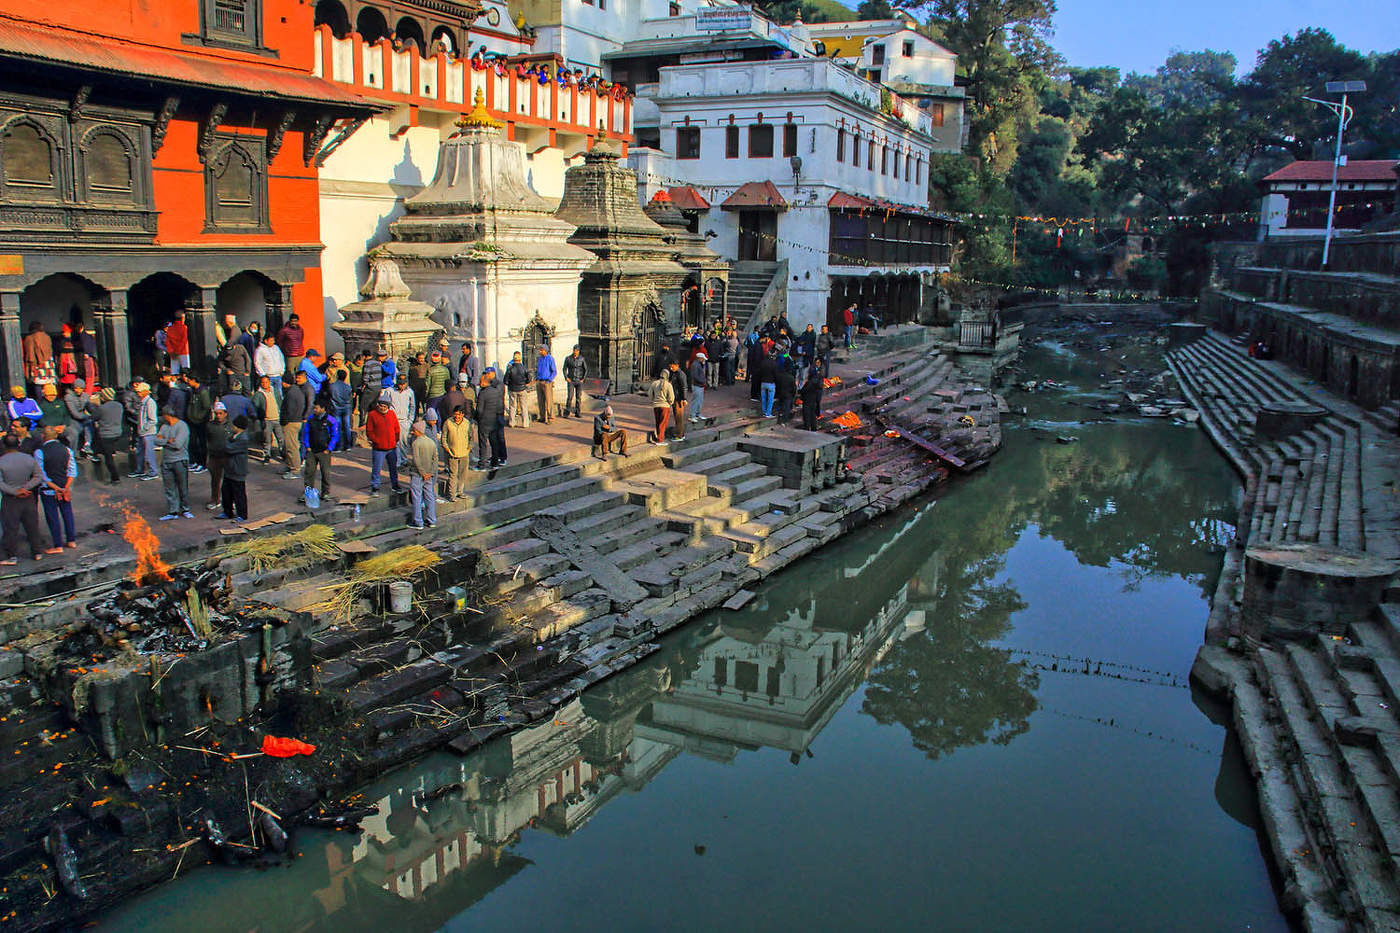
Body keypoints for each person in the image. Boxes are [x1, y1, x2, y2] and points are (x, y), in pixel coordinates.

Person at [0, 433, 43, 564]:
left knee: (10, 528)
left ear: (4, 445)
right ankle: (37, 552)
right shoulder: (29, 459)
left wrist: (15, 491)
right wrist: (26, 488)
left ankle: (12, 556)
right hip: (28, 497)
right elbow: (38, 476)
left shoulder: (1, 461)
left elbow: (0, 482)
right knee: (32, 526)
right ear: (18, 444)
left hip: (10, 499)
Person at [35, 425, 76, 553]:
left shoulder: (39, 452)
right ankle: (71, 541)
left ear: (43, 436)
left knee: (52, 517)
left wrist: (56, 488)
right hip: (65, 490)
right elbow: (72, 471)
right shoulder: (67, 450)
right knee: (67, 514)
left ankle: (58, 545)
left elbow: (42, 475)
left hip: (49, 491)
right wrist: (65, 488)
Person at [156, 407, 192, 520]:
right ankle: (173, 511)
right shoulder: (164, 426)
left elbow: (178, 444)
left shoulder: (182, 426)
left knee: (182, 487)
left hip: (180, 461)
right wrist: (168, 440)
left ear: (167, 415)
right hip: (166, 461)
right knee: (169, 488)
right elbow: (156, 440)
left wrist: (164, 441)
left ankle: (185, 509)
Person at [300, 401, 338, 504]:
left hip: (324, 452)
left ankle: (325, 493)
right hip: (312, 451)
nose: (314, 410)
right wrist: (307, 446)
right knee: (309, 472)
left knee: (325, 473)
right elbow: (306, 433)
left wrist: (329, 449)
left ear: (323, 409)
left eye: (316, 408)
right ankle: (308, 492)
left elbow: (335, 436)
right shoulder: (311, 419)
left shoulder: (331, 420)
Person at [365, 393, 403, 497]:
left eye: (384, 406)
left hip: (391, 447)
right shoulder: (372, 415)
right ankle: (375, 487)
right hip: (378, 448)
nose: (382, 408)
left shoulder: (391, 414)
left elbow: (396, 429)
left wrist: (395, 440)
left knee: (393, 468)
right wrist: (376, 440)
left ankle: (395, 485)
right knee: (377, 468)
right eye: (381, 405)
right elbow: (369, 431)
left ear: (388, 407)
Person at [279, 371, 311, 478]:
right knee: (290, 446)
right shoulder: (296, 391)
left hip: (291, 422)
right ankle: (290, 465)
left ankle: (295, 470)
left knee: (291, 447)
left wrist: (284, 421)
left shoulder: (291, 393)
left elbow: (290, 410)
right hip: (295, 421)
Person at [219, 415, 250, 522]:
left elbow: (229, 449)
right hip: (229, 469)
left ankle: (242, 514)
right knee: (226, 492)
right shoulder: (233, 436)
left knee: (239, 494)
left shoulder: (243, 439)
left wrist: (225, 442)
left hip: (238, 470)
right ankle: (227, 512)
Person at [408, 420, 438, 529]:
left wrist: (423, 473)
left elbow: (416, 460)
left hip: (418, 474)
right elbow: (435, 460)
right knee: (429, 496)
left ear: (417, 431)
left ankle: (418, 521)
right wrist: (430, 473)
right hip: (429, 475)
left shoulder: (416, 443)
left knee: (417, 496)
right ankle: (432, 520)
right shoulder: (431, 442)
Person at [475, 368, 507, 468]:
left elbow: (479, 410)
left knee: (483, 442)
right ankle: (495, 462)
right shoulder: (495, 391)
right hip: (494, 419)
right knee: (494, 442)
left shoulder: (483, 393)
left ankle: (482, 463)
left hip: (485, 421)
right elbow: (499, 405)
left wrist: (478, 418)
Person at [91, 387, 123, 484]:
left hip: (106, 434)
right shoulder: (119, 405)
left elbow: (94, 417)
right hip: (117, 432)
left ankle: (115, 477)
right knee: (110, 449)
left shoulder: (102, 408)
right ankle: (111, 451)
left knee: (108, 458)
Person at [441, 405, 473, 499]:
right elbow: (444, 438)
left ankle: (460, 491)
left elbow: (471, 437)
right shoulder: (448, 422)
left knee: (463, 474)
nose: (457, 417)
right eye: (455, 415)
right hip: (452, 453)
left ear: (462, 414)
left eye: (459, 415)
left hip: (464, 453)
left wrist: (469, 448)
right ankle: (452, 494)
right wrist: (447, 449)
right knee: (453, 474)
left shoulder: (467, 423)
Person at [204, 402, 231, 511]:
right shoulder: (210, 426)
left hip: (228, 457)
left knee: (229, 480)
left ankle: (230, 500)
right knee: (215, 480)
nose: (219, 416)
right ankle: (215, 499)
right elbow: (206, 441)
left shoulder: (231, 426)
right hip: (214, 457)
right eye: (217, 414)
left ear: (225, 414)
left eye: (221, 413)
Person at [184, 373, 212, 473]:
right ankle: (196, 462)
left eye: (189, 380)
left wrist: (199, 417)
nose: (188, 381)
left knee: (201, 443)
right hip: (192, 420)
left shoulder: (203, 392)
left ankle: (203, 464)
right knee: (193, 442)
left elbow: (206, 407)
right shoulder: (192, 391)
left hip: (200, 422)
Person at [131, 381, 159, 480]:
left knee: (148, 453)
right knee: (140, 452)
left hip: (148, 433)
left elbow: (153, 420)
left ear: (145, 392)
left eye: (139, 392)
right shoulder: (143, 402)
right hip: (142, 432)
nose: (138, 394)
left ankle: (153, 472)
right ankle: (140, 470)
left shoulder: (150, 402)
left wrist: (144, 429)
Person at [251, 375, 280, 462]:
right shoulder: (258, 394)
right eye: (263, 382)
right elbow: (255, 407)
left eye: (266, 382)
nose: (264, 384)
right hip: (267, 420)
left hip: (277, 418)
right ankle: (267, 455)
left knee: (281, 438)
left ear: (269, 382)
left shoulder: (275, 391)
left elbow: (280, 402)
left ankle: (283, 453)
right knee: (267, 439)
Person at [388, 372, 416, 458]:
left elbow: (412, 407)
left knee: (403, 442)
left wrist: (410, 421)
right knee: (393, 441)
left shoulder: (410, 392)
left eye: (403, 384)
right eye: (400, 384)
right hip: (393, 420)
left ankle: (404, 459)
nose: (402, 386)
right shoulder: (390, 391)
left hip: (404, 421)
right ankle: (396, 460)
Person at [254, 332, 285, 404]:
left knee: (279, 395)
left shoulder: (276, 348)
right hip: (268, 377)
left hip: (278, 376)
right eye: (271, 341)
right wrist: (263, 375)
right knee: (268, 396)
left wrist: (282, 371)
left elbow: (281, 359)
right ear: (266, 341)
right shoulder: (260, 350)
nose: (273, 342)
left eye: (273, 340)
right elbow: (257, 363)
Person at [22, 322, 53, 392]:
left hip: (36, 365)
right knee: (49, 387)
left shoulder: (29, 338)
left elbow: (29, 354)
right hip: (48, 363)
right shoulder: (47, 337)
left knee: (38, 386)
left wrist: (28, 370)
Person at [328, 369, 354, 451]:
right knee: (347, 426)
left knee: (338, 427)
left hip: (336, 408)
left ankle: (338, 446)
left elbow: (329, 394)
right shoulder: (348, 387)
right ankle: (348, 445)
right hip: (346, 407)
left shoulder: (332, 386)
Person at [504, 351, 531, 428]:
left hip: (512, 389)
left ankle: (512, 422)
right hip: (522, 389)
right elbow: (529, 378)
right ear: (520, 359)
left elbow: (505, 380)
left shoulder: (510, 369)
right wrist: (525, 382)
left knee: (512, 406)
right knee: (524, 406)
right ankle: (525, 423)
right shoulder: (524, 368)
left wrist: (510, 384)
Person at [648, 369, 674, 445]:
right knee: (663, 423)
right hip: (665, 406)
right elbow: (671, 397)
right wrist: (670, 403)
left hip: (656, 405)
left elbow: (649, 394)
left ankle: (659, 436)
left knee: (658, 422)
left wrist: (653, 400)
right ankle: (660, 439)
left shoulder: (654, 383)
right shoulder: (668, 385)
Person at [359, 350, 384, 426]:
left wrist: (364, 386)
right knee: (373, 407)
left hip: (370, 388)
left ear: (364, 356)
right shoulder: (377, 363)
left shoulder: (367, 364)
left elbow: (365, 378)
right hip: (378, 387)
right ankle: (373, 422)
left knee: (363, 406)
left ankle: (362, 423)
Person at [563, 345, 587, 418]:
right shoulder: (568, 358)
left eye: (577, 351)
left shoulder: (582, 359)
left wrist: (583, 378)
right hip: (571, 380)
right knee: (570, 396)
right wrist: (566, 377)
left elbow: (585, 369)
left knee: (578, 397)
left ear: (579, 351)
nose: (575, 352)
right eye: (574, 350)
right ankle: (567, 413)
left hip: (578, 380)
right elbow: (564, 368)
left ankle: (578, 412)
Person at [534, 345, 556, 424]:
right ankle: (542, 416)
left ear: (545, 351)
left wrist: (549, 379)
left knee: (548, 400)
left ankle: (550, 417)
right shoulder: (540, 359)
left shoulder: (550, 358)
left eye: (542, 350)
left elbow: (554, 371)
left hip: (547, 382)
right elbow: (538, 369)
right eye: (540, 350)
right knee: (540, 400)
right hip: (540, 381)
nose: (540, 351)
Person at [425, 350, 451, 415]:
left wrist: (425, 396)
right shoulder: (446, 370)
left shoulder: (430, 371)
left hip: (432, 395)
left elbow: (427, 385)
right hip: (443, 394)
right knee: (440, 414)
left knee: (431, 415)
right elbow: (448, 383)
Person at [668, 360, 688, 440]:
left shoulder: (680, 374)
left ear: (677, 365)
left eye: (672, 366)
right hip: (675, 398)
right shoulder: (674, 373)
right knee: (677, 417)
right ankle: (680, 433)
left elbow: (684, 387)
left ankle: (679, 435)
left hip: (679, 399)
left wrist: (684, 398)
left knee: (679, 417)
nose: (671, 368)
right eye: (670, 366)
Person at [756, 350, 778, 418]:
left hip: (763, 382)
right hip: (771, 383)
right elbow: (776, 374)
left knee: (763, 398)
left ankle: (764, 411)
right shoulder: (774, 364)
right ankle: (768, 413)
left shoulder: (762, 363)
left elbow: (759, 373)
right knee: (770, 399)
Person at [689, 352, 707, 422]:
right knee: (696, 400)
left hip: (700, 385)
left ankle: (697, 414)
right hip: (697, 385)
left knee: (699, 400)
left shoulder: (698, 364)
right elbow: (695, 376)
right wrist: (702, 381)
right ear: (700, 358)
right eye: (703, 359)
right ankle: (692, 415)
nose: (703, 360)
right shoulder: (695, 365)